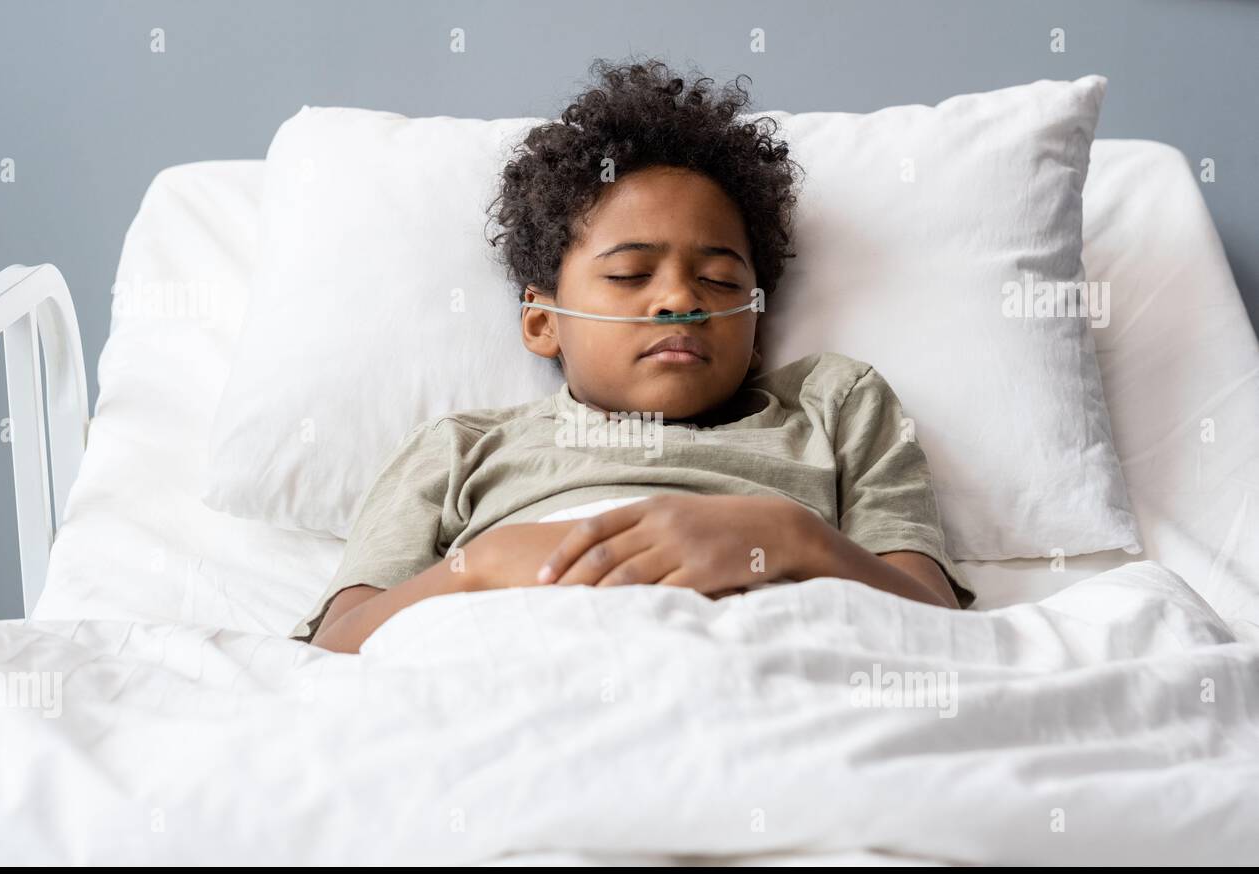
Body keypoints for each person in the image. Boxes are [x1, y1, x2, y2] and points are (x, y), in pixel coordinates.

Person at [293, 57, 976, 653]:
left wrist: (788, 537)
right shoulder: (461, 449)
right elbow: (340, 642)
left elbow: (934, 618)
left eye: (719, 280)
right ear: (541, 322)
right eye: (629, 275)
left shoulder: (834, 403)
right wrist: (484, 564)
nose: (680, 300)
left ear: (756, 323)